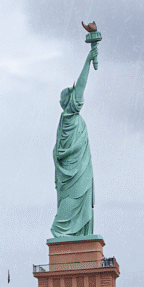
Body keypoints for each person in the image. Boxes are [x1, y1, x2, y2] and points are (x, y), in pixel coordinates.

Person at [51, 45, 98, 238]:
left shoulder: (65, 121)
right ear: (69, 101)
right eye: (73, 96)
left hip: (80, 168)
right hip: (74, 172)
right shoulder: (69, 116)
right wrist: (87, 61)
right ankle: (64, 234)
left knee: (81, 201)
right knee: (72, 201)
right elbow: (81, 86)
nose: (78, 97)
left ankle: (79, 237)